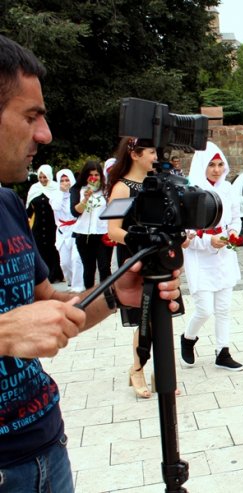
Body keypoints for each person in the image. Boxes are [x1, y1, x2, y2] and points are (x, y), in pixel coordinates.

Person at [0, 33, 181, 493]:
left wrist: (115, 297)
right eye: (31, 116)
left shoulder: (6, 205)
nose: (45, 134)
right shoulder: (116, 191)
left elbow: (51, 305)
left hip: (44, 446)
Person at [106, 136, 167, 398]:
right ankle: (138, 368)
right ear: (135, 154)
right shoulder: (121, 188)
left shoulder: (157, 184)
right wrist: (138, 238)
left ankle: (163, 372)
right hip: (135, 259)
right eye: (151, 152)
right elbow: (112, 231)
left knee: (161, 316)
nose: (155, 157)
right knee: (147, 318)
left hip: (159, 257)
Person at [180, 141, 243, 371]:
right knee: (204, 309)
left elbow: (235, 218)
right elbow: (186, 234)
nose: (216, 170)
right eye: (211, 165)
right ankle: (188, 338)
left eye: (219, 164)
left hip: (223, 254)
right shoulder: (191, 191)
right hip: (200, 257)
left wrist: (233, 233)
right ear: (201, 166)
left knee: (224, 307)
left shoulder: (228, 189)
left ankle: (222, 350)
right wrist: (208, 240)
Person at [70, 160, 114, 289]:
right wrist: (85, 199)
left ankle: (107, 296)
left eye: (97, 175)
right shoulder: (78, 189)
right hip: (84, 235)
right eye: (91, 175)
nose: (94, 178)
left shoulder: (106, 190)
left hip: (102, 234)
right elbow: (74, 212)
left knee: (104, 266)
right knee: (89, 268)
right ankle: (89, 297)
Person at [25, 163, 64, 282]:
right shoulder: (34, 189)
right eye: (40, 177)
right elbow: (29, 209)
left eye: (45, 177)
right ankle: (45, 276)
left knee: (53, 249)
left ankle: (55, 273)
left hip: (52, 225)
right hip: (38, 226)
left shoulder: (56, 188)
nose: (42, 180)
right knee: (40, 250)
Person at [50, 168, 85, 292]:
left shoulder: (77, 193)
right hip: (62, 231)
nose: (65, 182)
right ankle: (70, 283)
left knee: (76, 259)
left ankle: (78, 287)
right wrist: (61, 192)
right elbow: (56, 206)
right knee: (64, 263)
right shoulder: (55, 195)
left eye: (67, 180)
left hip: (76, 229)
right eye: (62, 180)